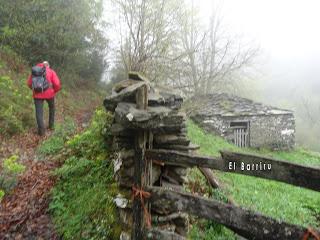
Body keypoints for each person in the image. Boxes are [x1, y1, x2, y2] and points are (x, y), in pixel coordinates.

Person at [27, 61, 61, 136]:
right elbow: (57, 84)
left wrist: (35, 90)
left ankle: (41, 132)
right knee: (52, 108)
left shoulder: (34, 71)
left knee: (39, 113)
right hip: (50, 94)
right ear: (48, 66)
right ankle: (51, 126)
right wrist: (54, 91)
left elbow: (29, 83)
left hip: (37, 95)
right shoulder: (51, 71)